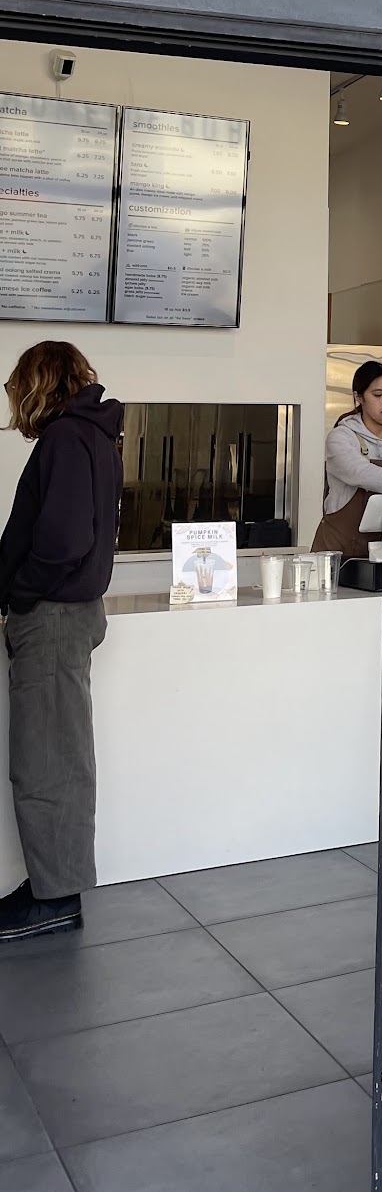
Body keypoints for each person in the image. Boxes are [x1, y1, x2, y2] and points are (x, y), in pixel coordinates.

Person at [0, 341, 123, 942]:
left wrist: (21, 591)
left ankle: (55, 898)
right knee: (58, 757)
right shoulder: (92, 436)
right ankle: (54, 887)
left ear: (38, 383)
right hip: (64, 614)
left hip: (50, 616)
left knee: (45, 762)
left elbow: (64, 540)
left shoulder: (67, 439)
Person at [313, 359, 382, 559]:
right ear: (358, 397)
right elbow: (362, 473)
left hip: (378, 555)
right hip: (337, 554)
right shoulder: (341, 437)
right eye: (377, 395)